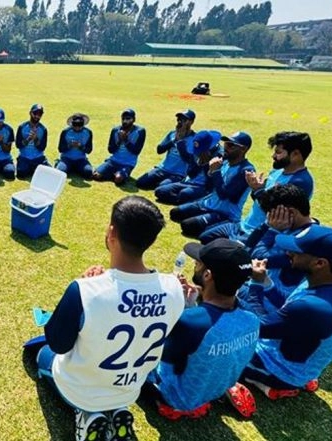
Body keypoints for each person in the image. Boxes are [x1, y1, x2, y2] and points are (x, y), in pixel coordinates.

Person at [37, 196, 185, 441]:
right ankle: (116, 411)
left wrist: (85, 286)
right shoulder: (174, 288)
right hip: (129, 391)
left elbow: (58, 343)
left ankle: (87, 415)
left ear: (111, 232)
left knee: (42, 354)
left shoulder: (85, 290)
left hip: (80, 391)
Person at [242, 225, 332, 399]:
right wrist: (266, 283)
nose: (288, 253)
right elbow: (289, 304)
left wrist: (256, 285)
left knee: (220, 343)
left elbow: (257, 327)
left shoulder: (314, 307)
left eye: (296, 251)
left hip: (277, 368)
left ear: (320, 263)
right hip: (302, 362)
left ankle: (263, 382)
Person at [146, 239, 259, 420]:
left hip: (177, 397)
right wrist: (194, 306)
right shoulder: (252, 317)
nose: (195, 265)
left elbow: (157, 353)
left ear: (207, 275)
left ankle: (167, 403)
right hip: (214, 390)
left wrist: (176, 306)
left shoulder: (191, 322)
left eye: (198, 263)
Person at [199, 131, 314, 244]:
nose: (273, 156)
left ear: (296, 154)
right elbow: (261, 200)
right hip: (243, 225)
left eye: (278, 152)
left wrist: (258, 190)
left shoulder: (300, 182)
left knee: (213, 252)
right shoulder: (278, 171)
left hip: (258, 235)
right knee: (205, 237)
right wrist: (257, 189)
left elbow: (277, 214)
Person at [237, 185, 318, 315]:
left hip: (271, 304)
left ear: (290, 212)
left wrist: (272, 230)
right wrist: (266, 226)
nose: (269, 219)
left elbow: (258, 257)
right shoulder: (287, 225)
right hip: (260, 287)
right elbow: (248, 248)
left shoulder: (305, 241)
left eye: (271, 214)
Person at [169, 131, 256, 239]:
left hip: (225, 213)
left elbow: (224, 195)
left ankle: (220, 224)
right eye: (225, 144)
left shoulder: (246, 170)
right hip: (208, 204)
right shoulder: (223, 162)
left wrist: (216, 172)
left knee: (188, 226)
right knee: (175, 213)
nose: (226, 147)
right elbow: (209, 187)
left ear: (243, 149)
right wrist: (207, 165)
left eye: (230, 145)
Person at [154, 130, 221, 205]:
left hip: (203, 187)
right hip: (188, 183)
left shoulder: (219, 156)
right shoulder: (196, 152)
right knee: (160, 191)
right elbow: (191, 173)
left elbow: (211, 185)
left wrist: (207, 164)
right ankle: (184, 201)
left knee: (184, 194)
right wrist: (199, 164)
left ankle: (186, 201)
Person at [136, 110, 197, 190]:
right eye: (178, 120)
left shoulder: (194, 139)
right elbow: (159, 150)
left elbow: (188, 159)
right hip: (162, 169)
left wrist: (180, 143)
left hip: (178, 174)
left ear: (191, 122)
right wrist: (173, 141)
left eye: (183, 120)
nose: (180, 122)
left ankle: (167, 183)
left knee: (161, 187)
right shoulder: (172, 134)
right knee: (140, 183)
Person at [93, 108, 146, 185]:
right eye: (123, 119)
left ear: (134, 119)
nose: (125, 121)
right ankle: (115, 173)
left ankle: (120, 174)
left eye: (128, 119)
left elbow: (136, 151)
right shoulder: (115, 130)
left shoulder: (140, 131)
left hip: (128, 163)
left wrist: (126, 140)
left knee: (118, 179)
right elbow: (110, 150)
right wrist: (119, 141)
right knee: (96, 176)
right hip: (113, 161)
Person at [14, 104, 49, 179]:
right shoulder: (22, 127)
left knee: (47, 174)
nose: (37, 116)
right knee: (21, 175)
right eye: (35, 113)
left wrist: (35, 139)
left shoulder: (43, 129)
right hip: (24, 157)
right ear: (30, 113)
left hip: (38, 158)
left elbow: (42, 148)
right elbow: (18, 145)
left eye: (40, 114)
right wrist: (28, 139)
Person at [56, 113, 93, 180]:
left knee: (88, 172)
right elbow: (60, 149)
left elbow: (89, 150)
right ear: (72, 124)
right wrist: (69, 146)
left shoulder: (88, 132)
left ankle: (74, 168)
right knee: (60, 172)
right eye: (75, 125)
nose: (77, 127)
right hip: (66, 158)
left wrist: (80, 146)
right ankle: (60, 163)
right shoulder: (65, 132)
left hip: (81, 159)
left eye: (80, 125)